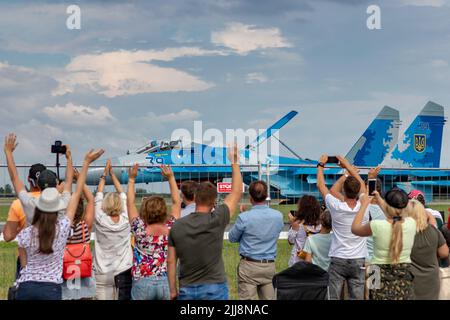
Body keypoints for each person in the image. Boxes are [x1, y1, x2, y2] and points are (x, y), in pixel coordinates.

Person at [4, 133, 104, 300]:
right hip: (51, 288)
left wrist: (8, 152)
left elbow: (15, 179)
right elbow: (76, 190)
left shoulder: (27, 230)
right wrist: (80, 161)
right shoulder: (63, 227)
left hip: (26, 286)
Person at [168, 144, 243, 300]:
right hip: (214, 286)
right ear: (214, 201)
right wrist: (234, 163)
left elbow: (171, 261)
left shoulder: (177, 225)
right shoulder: (218, 218)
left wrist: (173, 290)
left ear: (195, 198)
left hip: (186, 287)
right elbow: (236, 192)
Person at [316, 155, 368, 300]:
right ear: (358, 192)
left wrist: (320, 165)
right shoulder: (364, 206)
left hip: (338, 257)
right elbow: (362, 187)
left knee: (333, 296)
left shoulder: (336, 206)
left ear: (344, 191)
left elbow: (322, 186)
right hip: (358, 258)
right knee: (357, 297)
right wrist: (348, 167)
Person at [127, 163, 181, 300]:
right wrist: (171, 177)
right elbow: (176, 203)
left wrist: (132, 179)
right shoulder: (171, 227)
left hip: (142, 280)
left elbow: (130, 203)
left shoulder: (139, 227)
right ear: (163, 211)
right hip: (165, 281)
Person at [352, 189, 416, 300]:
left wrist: (364, 206)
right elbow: (394, 216)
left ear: (387, 206)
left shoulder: (376, 225)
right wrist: (380, 201)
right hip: (404, 270)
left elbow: (355, 229)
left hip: (375, 271)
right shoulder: (412, 223)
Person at [228, 180, 283, 300]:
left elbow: (232, 238)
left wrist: (243, 217)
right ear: (266, 195)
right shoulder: (278, 216)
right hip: (269, 265)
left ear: (250, 197)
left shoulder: (244, 218)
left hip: (249, 265)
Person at [94, 160, 133, 300]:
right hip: (123, 269)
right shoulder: (126, 218)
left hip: (103, 271)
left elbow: (98, 194)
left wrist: (104, 175)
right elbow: (122, 193)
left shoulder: (99, 219)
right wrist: (112, 174)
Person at [61, 168, 96, 300]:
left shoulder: (61, 228)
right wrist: (79, 178)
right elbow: (91, 200)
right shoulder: (85, 226)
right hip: (84, 279)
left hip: (65, 279)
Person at [408, 199, 449, 300]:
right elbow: (444, 253)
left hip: (410, 279)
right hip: (431, 280)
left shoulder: (402, 233)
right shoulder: (433, 230)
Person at [287, 195, 322, 267]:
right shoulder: (320, 225)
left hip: (298, 261)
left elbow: (291, 241)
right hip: (315, 260)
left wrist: (293, 225)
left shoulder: (297, 224)